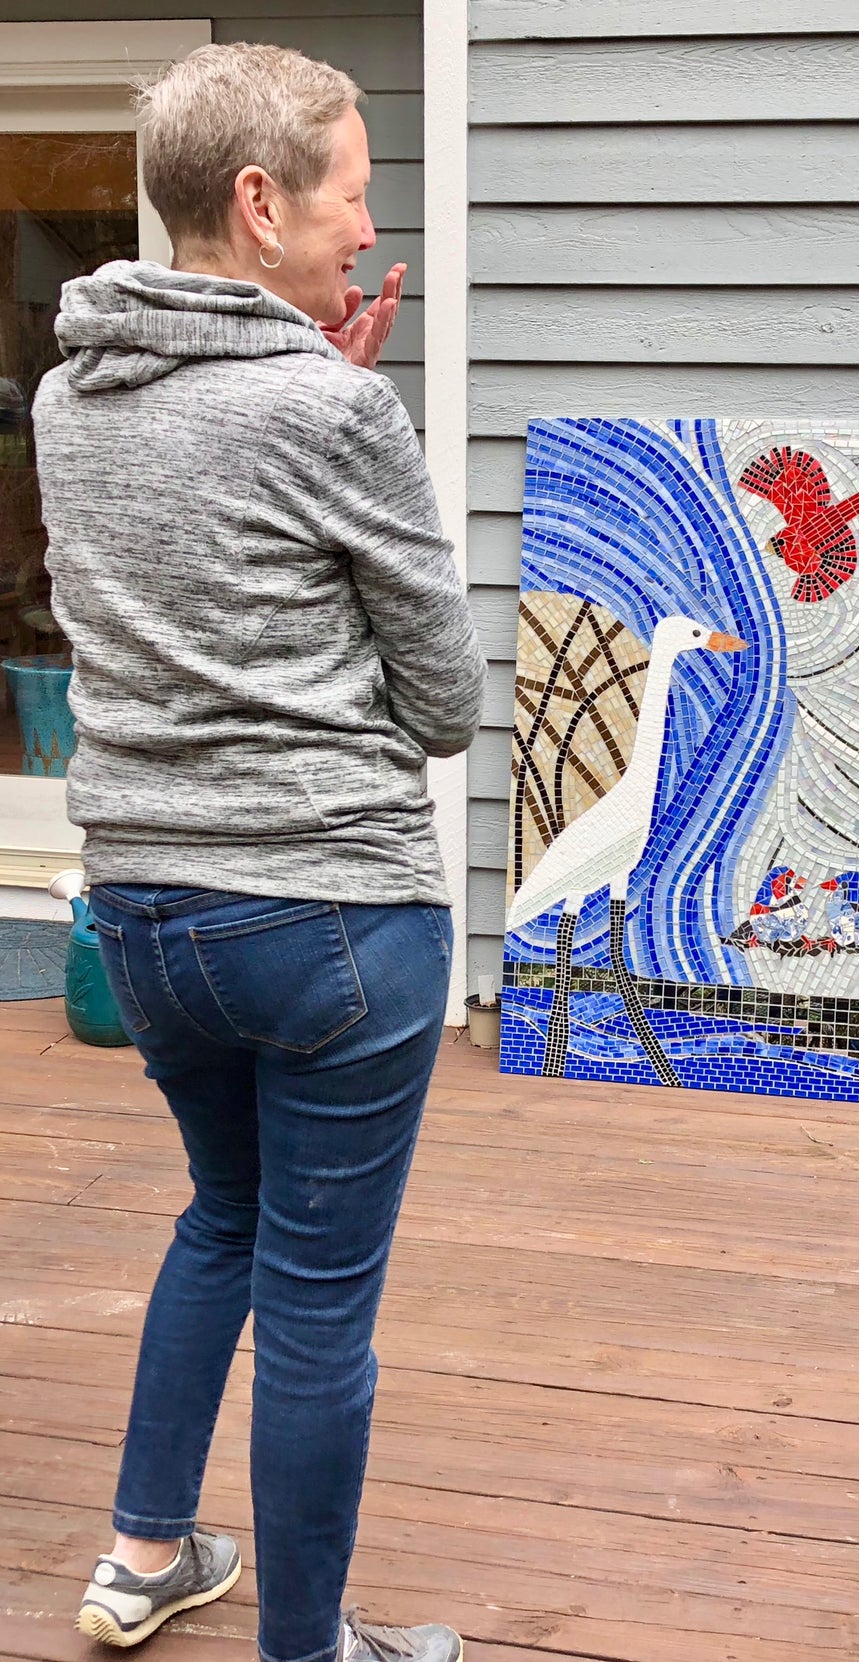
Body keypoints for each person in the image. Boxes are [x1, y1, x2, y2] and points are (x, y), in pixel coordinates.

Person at [32, 43, 486, 1662]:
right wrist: (342, 397)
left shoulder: (70, 391)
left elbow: (192, 571)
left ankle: (146, 1551)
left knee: (222, 1216)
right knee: (313, 1293)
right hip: (330, 921)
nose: (369, 226)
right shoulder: (336, 408)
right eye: (354, 191)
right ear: (260, 200)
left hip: (148, 912)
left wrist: (317, 375)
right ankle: (311, 1648)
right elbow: (443, 700)